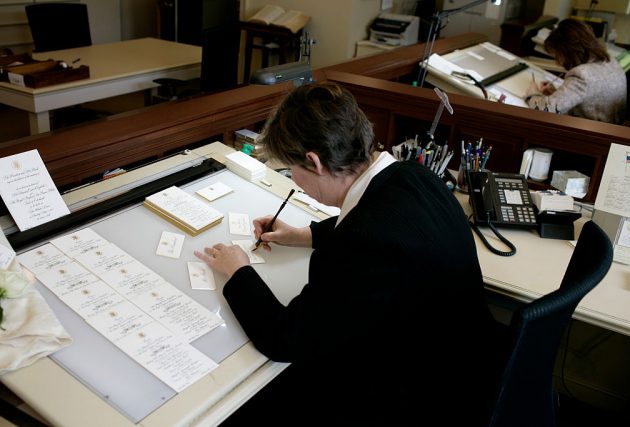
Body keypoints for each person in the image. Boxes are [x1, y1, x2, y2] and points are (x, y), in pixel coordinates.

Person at [195, 82, 500, 425]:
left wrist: (239, 272)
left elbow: (286, 339)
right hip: (474, 361)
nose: (293, 179)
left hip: (426, 397)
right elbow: (385, 220)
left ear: (314, 161)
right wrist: (305, 234)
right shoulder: (415, 175)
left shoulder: (359, 246)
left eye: (291, 168)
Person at [524, 18, 627, 124]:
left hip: (591, 135)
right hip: (611, 128)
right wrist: (557, 94)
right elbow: (589, 97)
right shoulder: (611, 62)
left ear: (566, 51)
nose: (558, 62)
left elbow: (546, 110)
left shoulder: (582, 74)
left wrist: (533, 95)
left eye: (557, 56)